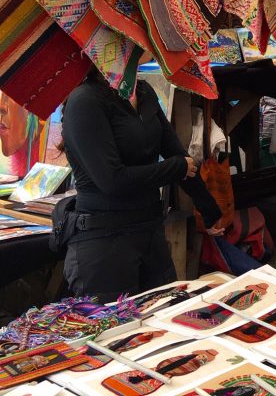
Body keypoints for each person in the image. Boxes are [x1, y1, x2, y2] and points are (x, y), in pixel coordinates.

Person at [60, 70, 225, 301]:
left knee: (164, 322)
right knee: (115, 332)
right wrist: (175, 167)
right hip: (105, 243)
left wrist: (208, 208)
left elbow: (176, 153)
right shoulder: (85, 101)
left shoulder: (144, 91)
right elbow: (112, 180)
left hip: (149, 233)